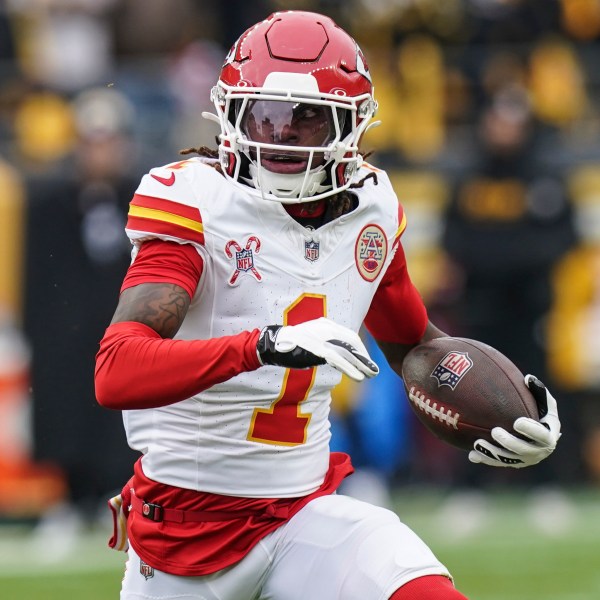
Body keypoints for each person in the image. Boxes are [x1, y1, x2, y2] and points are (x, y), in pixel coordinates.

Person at [95, 11, 561, 600]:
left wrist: (512, 409)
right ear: (229, 115)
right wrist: (262, 345)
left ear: (354, 126)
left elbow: (414, 345)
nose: (280, 133)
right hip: (186, 537)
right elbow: (115, 370)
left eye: (307, 118)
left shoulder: (370, 210)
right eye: (263, 113)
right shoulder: (195, 202)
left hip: (303, 515)